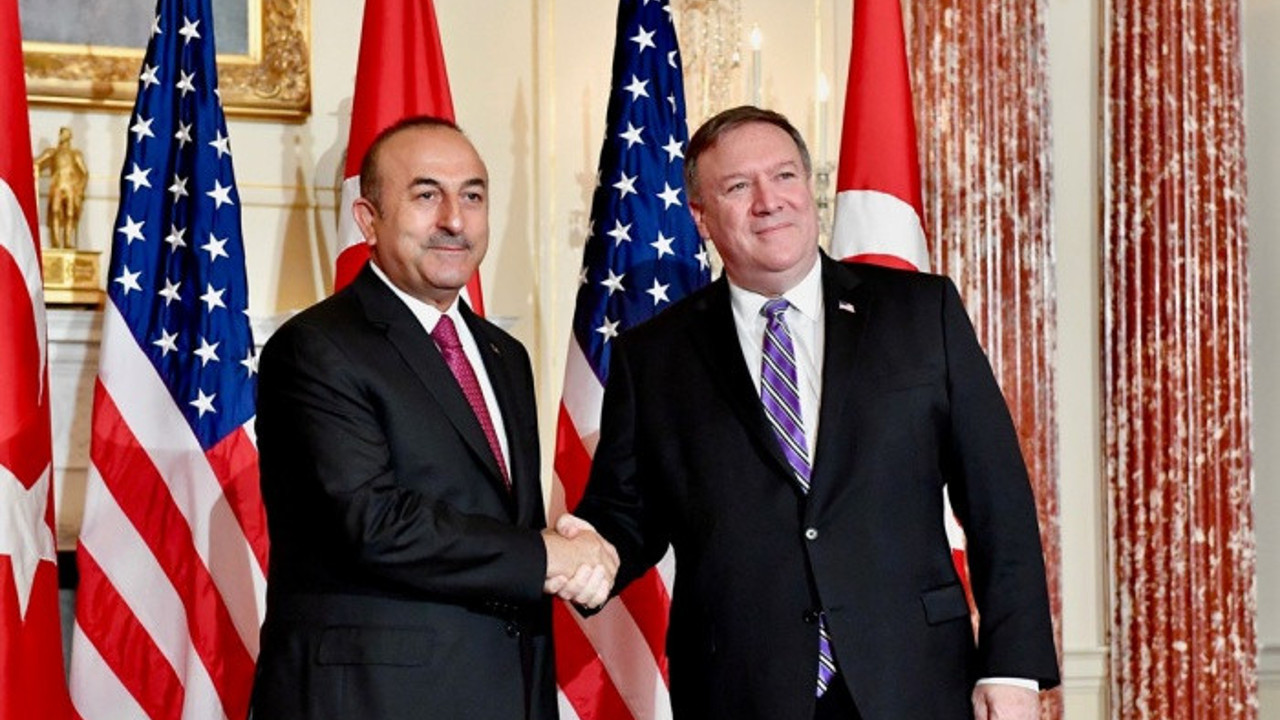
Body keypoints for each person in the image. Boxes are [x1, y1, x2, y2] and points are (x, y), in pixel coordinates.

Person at [564, 106, 1060, 719]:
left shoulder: (920, 314)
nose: (768, 201)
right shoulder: (654, 356)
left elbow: (997, 500)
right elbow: (628, 513)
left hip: (914, 678)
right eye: (738, 186)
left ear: (809, 187)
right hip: (740, 689)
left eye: (784, 176)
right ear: (700, 217)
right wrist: (585, 551)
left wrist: (1011, 666)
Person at [250, 116, 616, 720]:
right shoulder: (317, 347)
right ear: (368, 219)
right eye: (426, 196)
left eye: (472, 196)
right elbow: (371, 520)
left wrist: (578, 557)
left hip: (509, 693)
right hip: (374, 701)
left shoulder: (504, 355)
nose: (454, 220)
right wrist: (546, 557)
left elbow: (503, 519)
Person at [33, 126, 88, 250]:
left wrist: (80, 188)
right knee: (55, 212)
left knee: (70, 214)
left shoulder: (75, 154)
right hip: (57, 186)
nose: (62, 136)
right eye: (61, 134)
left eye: (65, 134)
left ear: (69, 137)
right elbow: (37, 162)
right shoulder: (52, 152)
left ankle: (68, 242)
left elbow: (84, 173)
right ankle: (56, 243)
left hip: (70, 187)